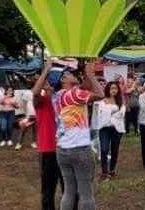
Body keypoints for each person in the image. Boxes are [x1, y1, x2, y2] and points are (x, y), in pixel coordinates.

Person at [54, 61, 104, 210]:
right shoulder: (74, 94)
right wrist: (90, 74)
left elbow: (86, 88)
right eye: (68, 73)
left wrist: (86, 74)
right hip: (80, 150)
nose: (72, 73)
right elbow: (101, 94)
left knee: (69, 191)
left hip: (62, 149)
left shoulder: (57, 96)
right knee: (86, 193)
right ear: (63, 80)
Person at [32, 59, 64, 210]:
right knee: (48, 189)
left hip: (65, 148)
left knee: (68, 187)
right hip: (48, 149)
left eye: (49, 83)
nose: (47, 84)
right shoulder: (41, 101)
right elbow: (35, 92)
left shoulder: (62, 100)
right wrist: (46, 70)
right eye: (44, 83)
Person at [93, 81, 126, 180]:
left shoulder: (120, 101)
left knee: (115, 150)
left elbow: (121, 115)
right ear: (108, 89)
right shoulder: (101, 101)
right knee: (104, 149)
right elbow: (100, 115)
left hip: (117, 129)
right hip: (104, 129)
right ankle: (104, 172)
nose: (114, 90)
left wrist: (111, 112)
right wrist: (112, 111)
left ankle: (112, 170)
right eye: (112, 88)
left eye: (115, 88)